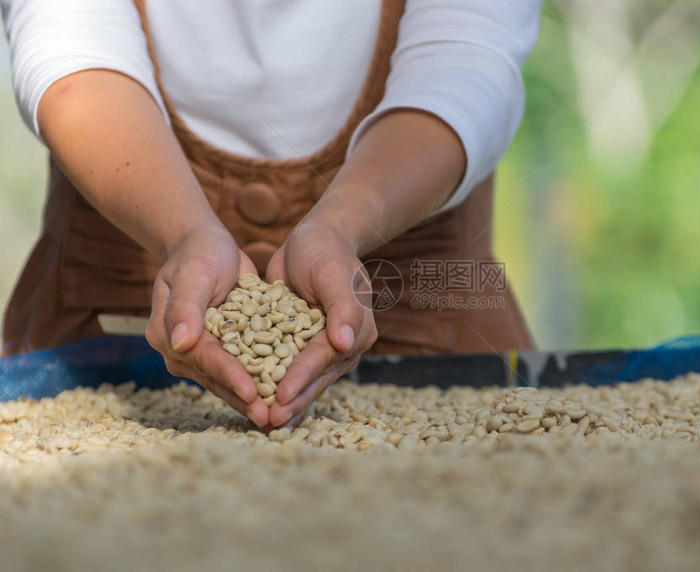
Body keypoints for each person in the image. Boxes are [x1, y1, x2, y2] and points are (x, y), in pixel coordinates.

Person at [0, 0, 540, 429]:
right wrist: (185, 231)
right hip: (106, 336)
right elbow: (68, 48)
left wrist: (339, 227)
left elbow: (469, 62)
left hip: (432, 334)